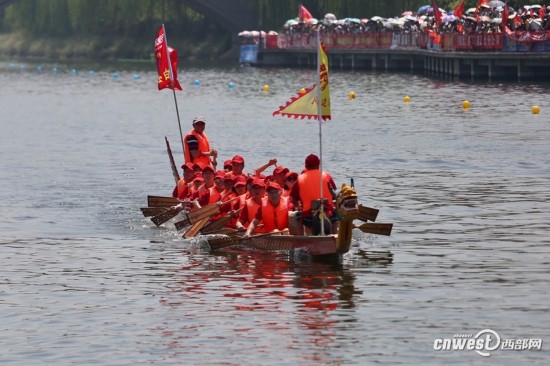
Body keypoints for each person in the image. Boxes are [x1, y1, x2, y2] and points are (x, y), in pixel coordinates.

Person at [289, 154, 338, 235]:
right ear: (319, 164)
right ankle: (334, 235)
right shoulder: (327, 176)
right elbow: (334, 194)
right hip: (329, 215)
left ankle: (302, 240)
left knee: (296, 216)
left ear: (306, 166)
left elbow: (293, 199)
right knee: (336, 215)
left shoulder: (299, 179)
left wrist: (299, 206)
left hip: (309, 218)